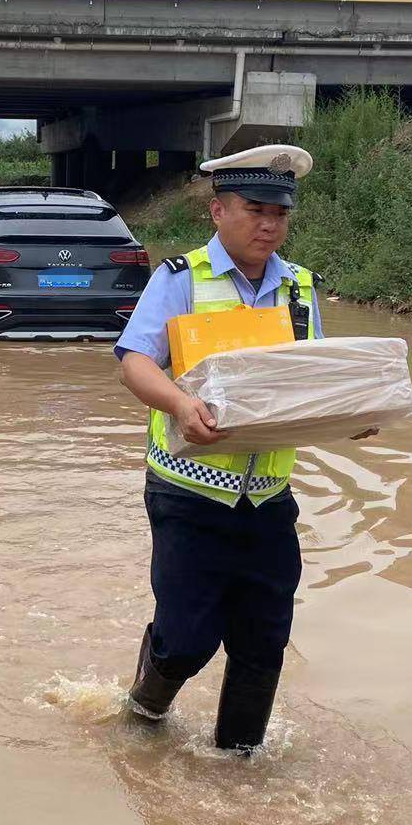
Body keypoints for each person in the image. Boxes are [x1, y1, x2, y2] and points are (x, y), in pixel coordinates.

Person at [113, 144, 371, 753]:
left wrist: (352, 414)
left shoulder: (301, 289)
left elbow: (312, 382)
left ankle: (238, 761)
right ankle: (143, 713)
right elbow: (134, 363)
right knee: (187, 640)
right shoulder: (179, 281)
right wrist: (180, 405)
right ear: (217, 211)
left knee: (263, 641)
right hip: (188, 491)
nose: (269, 225)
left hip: (268, 499)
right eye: (255, 210)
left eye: (279, 214)